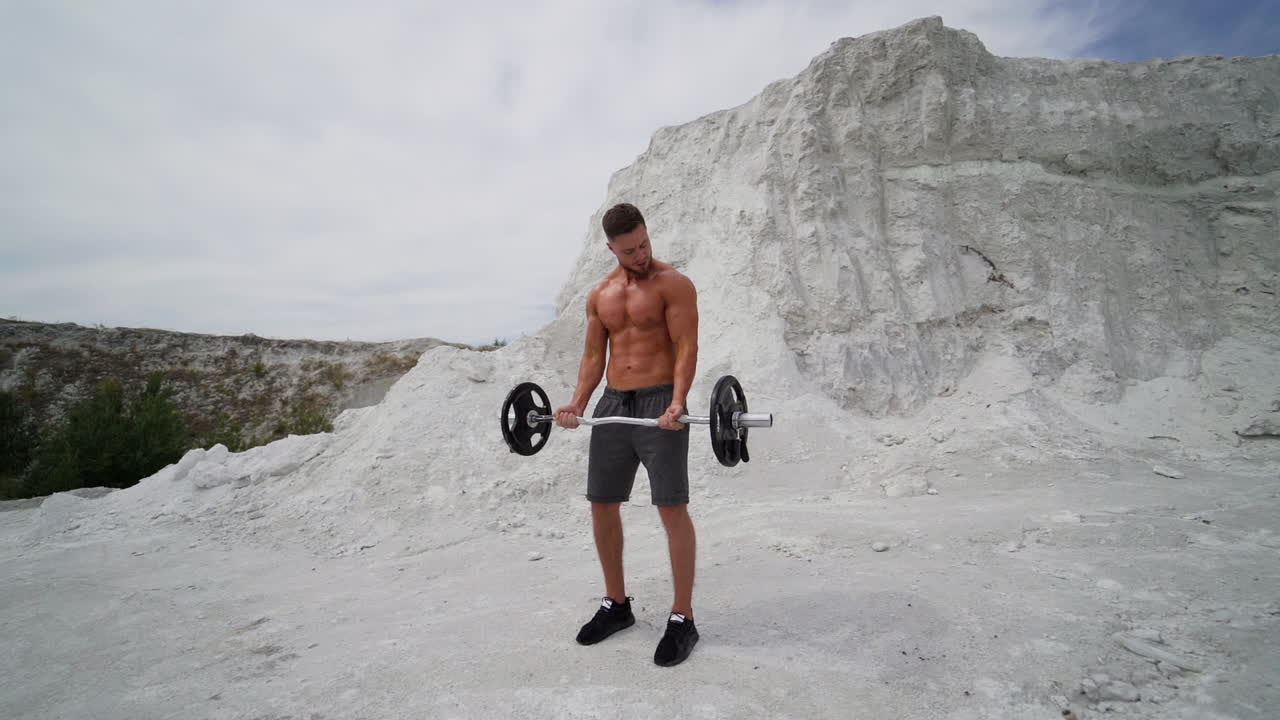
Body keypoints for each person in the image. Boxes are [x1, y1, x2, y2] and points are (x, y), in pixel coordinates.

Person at [554, 202, 701, 667]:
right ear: (611, 248)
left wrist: (678, 401)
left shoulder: (673, 284)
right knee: (602, 503)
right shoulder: (600, 295)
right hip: (615, 405)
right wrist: (578, 403)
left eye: (644, 244)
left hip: (661, 404)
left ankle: (683, 618)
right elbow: (593, 356)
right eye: (630, 250)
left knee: (671, 506)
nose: (640, 254)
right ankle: (616, 606)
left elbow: (686, 346)